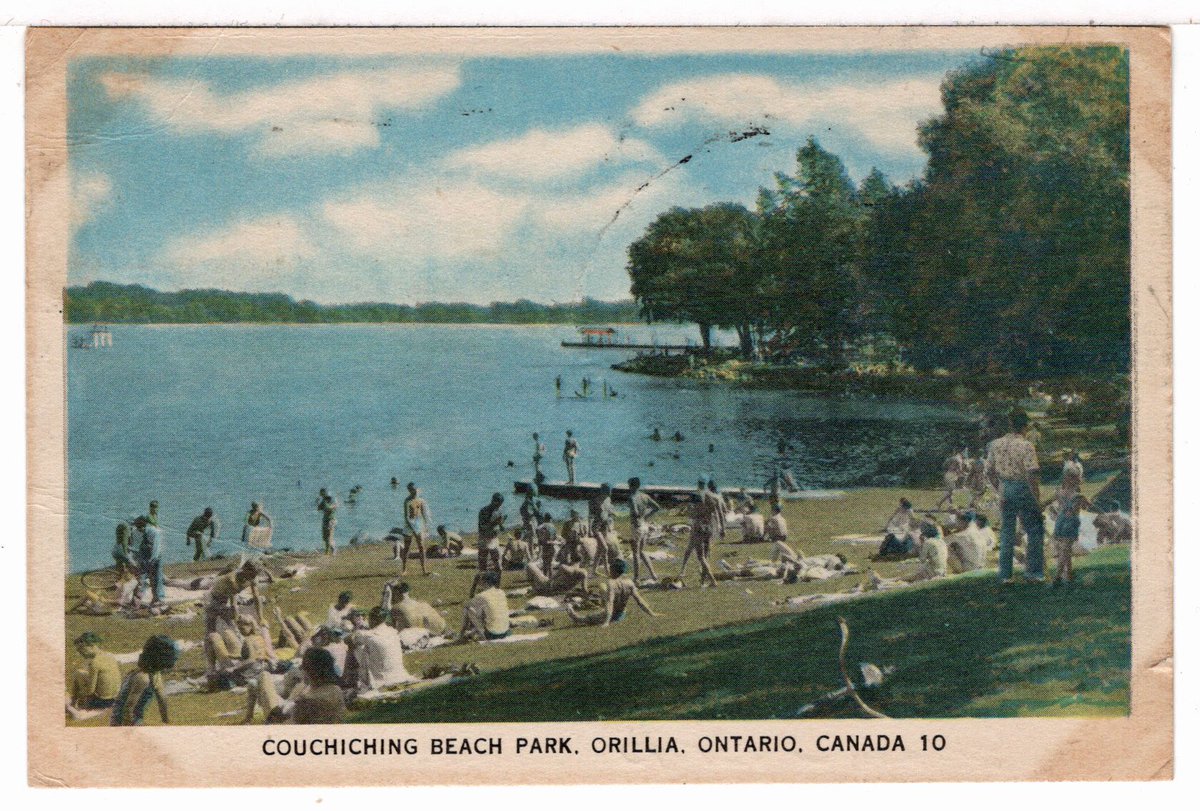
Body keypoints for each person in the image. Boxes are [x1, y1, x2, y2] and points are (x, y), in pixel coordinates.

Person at [986, 408, 1046, 583]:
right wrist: (1037, 500)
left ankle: (1005, 575)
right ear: (1025, 426)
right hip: (1022, 487)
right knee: (1034, 529)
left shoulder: (995, 444)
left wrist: (999, 489)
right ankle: (1033, 573)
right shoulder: (1027, 446)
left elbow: (988, 472)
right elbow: (1032, 476)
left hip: (1005, 487)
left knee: (1007, 532)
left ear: (1010, 424)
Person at [243, 646, 347, 725]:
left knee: (263, 676)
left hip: (286, 729)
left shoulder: (307, 702)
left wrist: (278, 714)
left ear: (307, 671)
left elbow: (287, 727)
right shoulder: (335, 689)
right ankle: (248, 718)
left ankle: (248, 719)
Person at [566, 559, 660, 626]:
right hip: (621, 614)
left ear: (613, 570)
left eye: (610, 569)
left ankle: (571, 612)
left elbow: (610, 602)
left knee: (581, 619)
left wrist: (606, 621)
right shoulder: (629, 582)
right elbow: (639, 600)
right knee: (602, 587)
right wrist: (651, 613)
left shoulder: (611, 583)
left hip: (612, 615)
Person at [111, 635, 179, 726]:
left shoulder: (156, 675)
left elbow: (162, 699)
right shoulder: (142, 678)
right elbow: (128, 708)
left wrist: (166, 722)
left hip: (136, 717)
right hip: (122, 721)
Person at [351, 606, 417, 691]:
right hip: (401, 674)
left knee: (358, 647)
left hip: (383, 681)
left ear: (373, 619)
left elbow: (351, 639)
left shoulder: (367, 635)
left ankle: (359, 681)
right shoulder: (393, 631)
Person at [1045, 488, 1093, 586]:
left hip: (1060, 523)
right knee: (1066, 550)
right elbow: (1087, 507)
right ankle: (1058, 577)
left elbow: (1047, 504)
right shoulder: (1079, 497)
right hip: (1070, 523)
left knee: (1064, 550)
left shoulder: (1058, 493)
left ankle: (1069, 575)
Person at [68, 632, 121, 714]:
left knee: (78, 674)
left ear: (91, 645)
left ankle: (73, 703)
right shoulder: (109, 656)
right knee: (80, 673)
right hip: (114, 699)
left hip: (101, 702)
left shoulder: (95, 663)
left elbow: (90, 691)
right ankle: (74, 701)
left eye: (81, 649)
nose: (80, 653)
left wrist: (81, 693)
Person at [679, 479, 719, 588]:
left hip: (698, 527)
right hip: (708, 527)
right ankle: (699, 579)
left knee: (701, 557)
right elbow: (714, 510)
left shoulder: (696, 497)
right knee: (702, 554)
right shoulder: (710, 497)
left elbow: (691, 514)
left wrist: (688, 511)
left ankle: (712, 580)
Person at [626, 477, 662, 582]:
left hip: (636, 527)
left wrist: (636, 514)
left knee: (636, 553)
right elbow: (657, 507)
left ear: (632, 486)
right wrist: (646, 516)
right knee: (642, 551)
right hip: (644, 526)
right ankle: (653, 574)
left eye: (629, 485)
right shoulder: (645, 496)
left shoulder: (632, 498)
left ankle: (636, 578)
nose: (628, 487)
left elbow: (635, 513)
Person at [472, 494, 506, 597]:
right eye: (498, 504)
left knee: (499, 566)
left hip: (494, 539)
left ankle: (497, 588)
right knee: (483, 567)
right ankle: (482, 590)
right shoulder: (484, 511)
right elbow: (482, 528)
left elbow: (500, 527)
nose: (499, 506)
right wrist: (495, 523)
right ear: (493, 501)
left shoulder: (498, 511)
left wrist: (501, 524)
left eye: (500, 505)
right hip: (484, 539)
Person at [460, 571, 511, 641]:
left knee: (468, 609)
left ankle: (461, 634)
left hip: (493, 634)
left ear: (485, 582)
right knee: (485, 611)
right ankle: (471, 633)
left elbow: (466, 605)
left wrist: (474, 586)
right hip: (505, 632)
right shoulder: (501, 592)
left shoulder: (482, 596)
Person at [382, 581, 447, 634]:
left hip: (414, 636)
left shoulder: (397, 608)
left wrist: (387, 596)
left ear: (396, 593)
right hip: (440, 630)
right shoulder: (423, 603)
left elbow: (383, 620)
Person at [400, 483, 432, 576]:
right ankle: (404, 569)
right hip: (409, 524)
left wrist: (426, 526)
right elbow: (406, 516)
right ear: (409, 490)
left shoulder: (421, 500)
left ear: (417, 489)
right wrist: (411, 527)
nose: (414, 492)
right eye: (411, 490)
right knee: (407, 547)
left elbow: (425, 513)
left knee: (421, 547)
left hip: (418, 523)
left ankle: (424, 570)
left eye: (415, 490)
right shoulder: (407, 501)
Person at [133, 516, 165, 606]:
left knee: (156, 578)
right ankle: (138, 599)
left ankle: (159, 598)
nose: (138, 530)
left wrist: (152, 561)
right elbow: (139, 548)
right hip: (146, 557)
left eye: (139, 528)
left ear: (143, 526)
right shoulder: (142, 532)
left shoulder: (154, 532)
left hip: (156, 557)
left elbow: (156, 548)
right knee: (142, 578)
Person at [525, 560, 589, 596]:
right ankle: (536, 588)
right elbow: (585, 590)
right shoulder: (583, 572)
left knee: (530, 565)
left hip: (548, 587)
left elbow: (551, 580)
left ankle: (534, 589)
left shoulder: (564, 567)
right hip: (562, 590)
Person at [535, 511, 562, 577]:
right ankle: (550, 579)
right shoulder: (553, 527)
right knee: (549, 564)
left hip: (544, 546)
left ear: (544, 518)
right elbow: (555, 537)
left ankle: (545, 578)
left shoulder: (541, 526)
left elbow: (537, 532)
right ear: (550, 519)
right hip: (551, 546)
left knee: (544, 564)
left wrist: (540, 539)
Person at [316, 488, 338, 555]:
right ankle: (331, 550)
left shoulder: (331, 500)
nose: (320, 495)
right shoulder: (324, 500)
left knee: (329, 537)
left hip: (331, 520)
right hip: (325, 520)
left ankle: (330, 551)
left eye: (321, 493)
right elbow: (319, 508)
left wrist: (335, 504)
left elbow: (329, 508)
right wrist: (317, 502)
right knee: (325, 538)